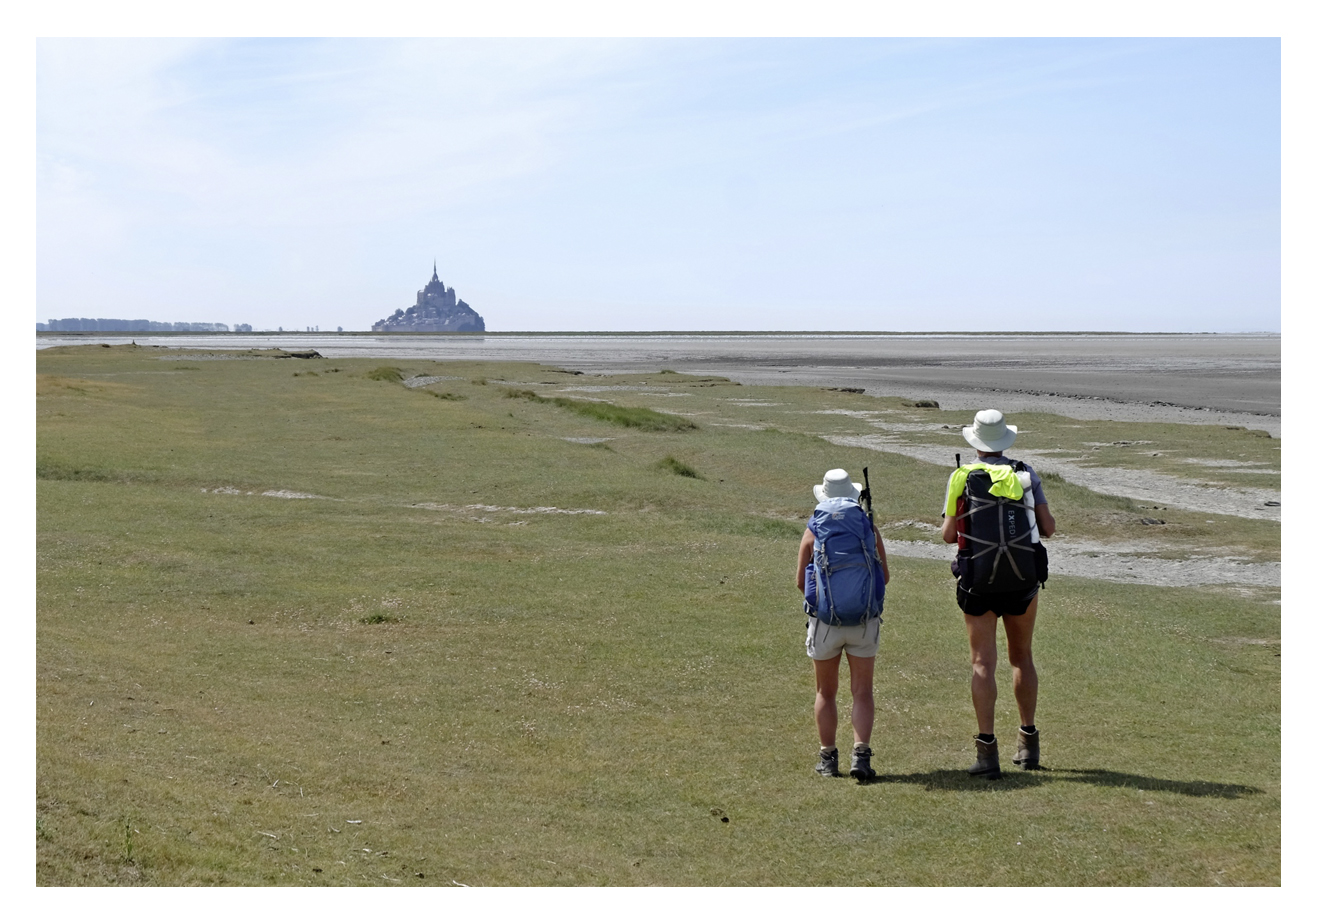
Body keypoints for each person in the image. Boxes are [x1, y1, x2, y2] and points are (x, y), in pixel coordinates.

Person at [941, 409, 1056, 779]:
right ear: (1006, 440)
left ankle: (987, 753)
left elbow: (947, 535)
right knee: (1022, 658)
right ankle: (1028, 744)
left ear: (975, 443)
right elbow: (1049, 528)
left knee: (982, 664)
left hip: (977, 583)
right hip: (1023, 581)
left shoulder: (961, 476)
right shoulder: (1025, 474)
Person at [796, 469, 891, 781]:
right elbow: (884, 577)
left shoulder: (813, 530)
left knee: (826, 691)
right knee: (862, 691)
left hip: (825, 623)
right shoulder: (868, 529)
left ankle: (828, 758)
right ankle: (861, 756)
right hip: (864, 620)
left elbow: (801, 582)